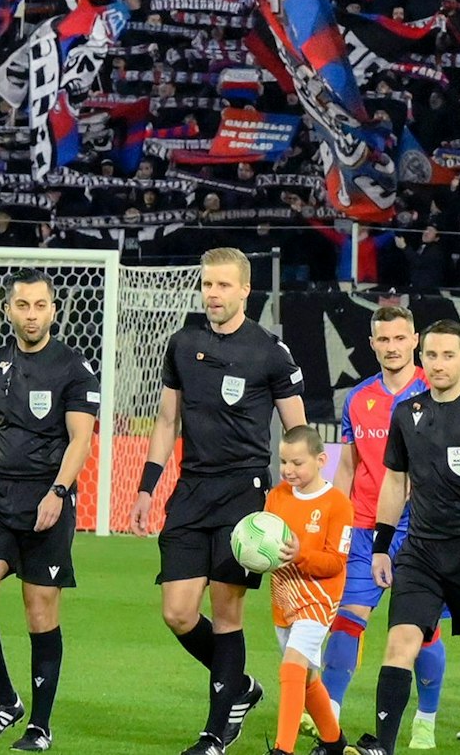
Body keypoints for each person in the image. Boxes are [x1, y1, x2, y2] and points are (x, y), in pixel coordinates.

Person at [132, 247, 307, 755]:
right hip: (189, 492)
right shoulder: (182, 344)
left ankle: (214, 735)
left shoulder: (272, 352)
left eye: (223, 286)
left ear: (245, 290)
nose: (213, 294)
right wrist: (147, 487)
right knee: (178, 612)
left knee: (227, 611)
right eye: (208, 285)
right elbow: (167, 422)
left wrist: (301, 502)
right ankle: (241, 687)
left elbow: (297, 433)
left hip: (244, 497)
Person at [353, 321, 460, 755]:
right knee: (399, 643)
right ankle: (384, 747)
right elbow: (395, 483)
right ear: (421, 358)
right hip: (420, 553)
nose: (438, 364)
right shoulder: (406, 415)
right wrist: (380, 546)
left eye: (449, 355)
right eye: (431, 355)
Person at [0, 270, 98, 752]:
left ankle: (39, 725)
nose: (31, 315)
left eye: (40, 305)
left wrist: (58, 491)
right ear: (8, 309)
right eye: (22, 306)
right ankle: (5, 700)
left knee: (40, 612)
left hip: (46, 499)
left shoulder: (75, 368)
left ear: (54, 310)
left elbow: (80, 439)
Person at [324, 305, 448, 748]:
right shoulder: (358, 398)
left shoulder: (436, 393)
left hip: (422, 530)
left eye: (400, 339)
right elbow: (346, 466)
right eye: (384, 339)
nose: (392, 347)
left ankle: (426, 720)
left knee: (421, 631)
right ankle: (328, 719)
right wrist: (333, 519)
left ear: (415, 340)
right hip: (363, 528)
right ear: (372, 343)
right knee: (347, 621)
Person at [261, 426, 356, 755]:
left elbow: (334, 563)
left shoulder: (338, 504)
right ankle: (334, 742)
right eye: (283, 461)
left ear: (321, 460)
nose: (288, 470)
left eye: (297, 463)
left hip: (320, 598)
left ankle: (282, 750)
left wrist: (299, 554)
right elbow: (266, 546)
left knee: (292, 665)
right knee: (306, 676)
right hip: (284, 595)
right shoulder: (276, 497)